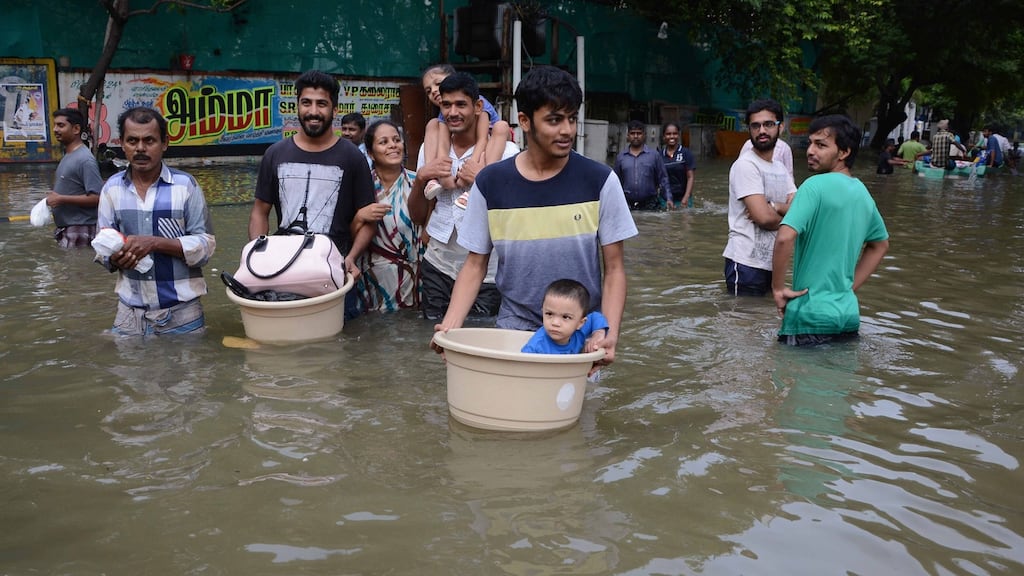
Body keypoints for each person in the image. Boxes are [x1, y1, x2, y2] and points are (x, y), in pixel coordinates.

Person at [432, 65, 638, 368]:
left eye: (571, 118)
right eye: (554, 120)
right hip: (514, 329)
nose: (567, 130)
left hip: (579, 335)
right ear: (525, 121)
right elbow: (475, 265)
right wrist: (450, 327)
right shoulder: (491, 183)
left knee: (579, 413)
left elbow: (615, 269)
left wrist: (608, 332)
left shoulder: (599, 180)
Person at [249, 70, 376, 318]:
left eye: (322, 104)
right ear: (297, 105)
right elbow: (259, 211)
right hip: (282, 269)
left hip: (335, 271)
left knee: (341, 348)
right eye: (306, 102)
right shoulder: (275, 154)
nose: (313, 111)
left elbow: (369, 219)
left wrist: (350, 258)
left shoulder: (352, 157)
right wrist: (255, 255)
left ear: (335, 109)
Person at [95, 107, 216, 336]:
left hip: (182, 315)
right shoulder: (111, 189)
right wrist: (115, 257)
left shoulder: (186, 186)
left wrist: (155, 243)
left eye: (149, 140)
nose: (140, 148)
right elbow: (101, 246)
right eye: (132, 140)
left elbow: (206, 246)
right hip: (129, 316)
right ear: (122, 144)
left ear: (164, 143)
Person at [772, 114, 889, 346]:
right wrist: (847, 287)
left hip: (809, 314)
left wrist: (777, 289)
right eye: (810, 143)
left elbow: (785, 238)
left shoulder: (814, 186)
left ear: (844, 152)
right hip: (847, 315)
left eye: (821, 145)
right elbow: (880, 245)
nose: (810, 151)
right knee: (837, 381)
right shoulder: (863, 193)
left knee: (797, 379)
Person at [408, 72, 517, 321]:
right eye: (446, 105)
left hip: (487, 273)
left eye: (461, 105)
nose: (453, 112)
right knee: (431, 339)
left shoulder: (507, 152)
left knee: (480, 342)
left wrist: (484, 181)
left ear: (478, 107)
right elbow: (416, 216)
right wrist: (421, 178)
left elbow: (515, 220)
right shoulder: (431, 149)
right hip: (438, 264)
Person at [722, 99, 797, 297]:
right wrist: (791, 222)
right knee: (741, 322)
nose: (762, 130)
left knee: (763, 322)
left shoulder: (780, 168)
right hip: (745, 262)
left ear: (781, 127)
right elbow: (763, 218)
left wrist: (774, 206)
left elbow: (800, 206)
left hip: (772, 263)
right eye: (756, 125)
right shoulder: (745, 165)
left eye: (768, 124)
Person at [351, 120, 424, 313]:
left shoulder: (418, 183)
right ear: (370, 153)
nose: (393, 145)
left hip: (412, 280)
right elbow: (345, 238)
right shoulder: (360, 187)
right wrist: (359, 217)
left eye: (396, 140)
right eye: (384, 142)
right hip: (371, 281)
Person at [421, 65, 511, 209]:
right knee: (432, 124)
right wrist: (443, 175)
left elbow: (482, 139)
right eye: (428, 90)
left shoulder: (480, 106)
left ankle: (479, 184)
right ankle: (432, 179)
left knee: (501, 127)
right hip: (442, 225)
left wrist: (465, 174)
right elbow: (443, 143)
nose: (433, 91)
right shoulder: (443, 115)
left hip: (491, 138)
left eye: (438, 84)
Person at [46, 108, 103, 248]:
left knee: (79, 270)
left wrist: (60, 199)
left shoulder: (84, 159)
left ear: (76, 128)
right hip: (68, 228)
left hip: (80, 229)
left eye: (61, 125)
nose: (55, 129)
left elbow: (96, 197)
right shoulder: (69, 156)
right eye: (54, 125)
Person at [521, 279, 609, 354]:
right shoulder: (535, 347)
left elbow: (596, 317)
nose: (555, 323)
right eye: (549, 314)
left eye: (565, 317)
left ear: (580, 323)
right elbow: (523, 365)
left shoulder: (580, 331)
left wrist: (597, 334)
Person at [614, 120, 672, 211]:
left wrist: (668, 198)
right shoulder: (621, 157)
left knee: (649, 224)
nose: (636, 136)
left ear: (644, 135)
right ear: (628, 136)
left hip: (650, 204)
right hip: (627, 204)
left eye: (639, 133)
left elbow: (663, 179)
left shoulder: (654, 156)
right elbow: (616, 182)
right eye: (632, 133)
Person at [658, 121, 696, 208]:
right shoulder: (659, 155)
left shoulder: (686, 153)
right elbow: (658, 179)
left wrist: (686, 197)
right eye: (668, 134)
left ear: (678, 135)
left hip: (683, 198)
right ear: (664, 136)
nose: (672, 136)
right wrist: (667, 199)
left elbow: (690, 177)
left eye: (675, 133)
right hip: (665, 199)